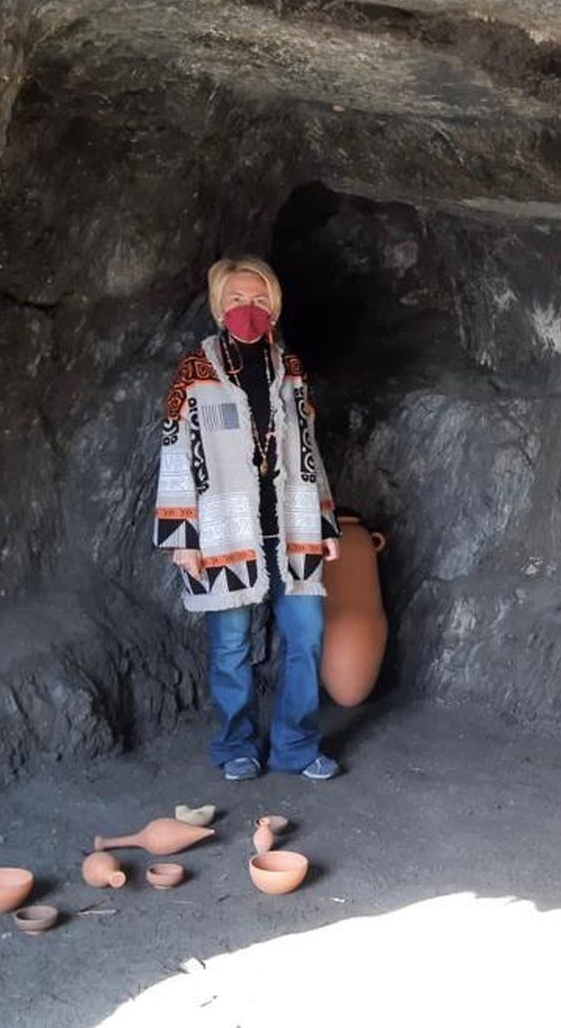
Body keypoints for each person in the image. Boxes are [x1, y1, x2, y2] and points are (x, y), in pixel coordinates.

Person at [152, 256, 343, 782]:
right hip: (225, 528)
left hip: (293, 523)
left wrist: (324, 525)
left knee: (306, 636)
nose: (248, 309)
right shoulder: (197, 371)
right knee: (231, 646)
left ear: (274, 307)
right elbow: (175, 451)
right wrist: (180, 535)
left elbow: (310, 451)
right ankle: (237, 744)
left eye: (259, 299)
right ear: (219, 306)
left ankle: (296, 747)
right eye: (237, 299)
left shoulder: (292, 370)